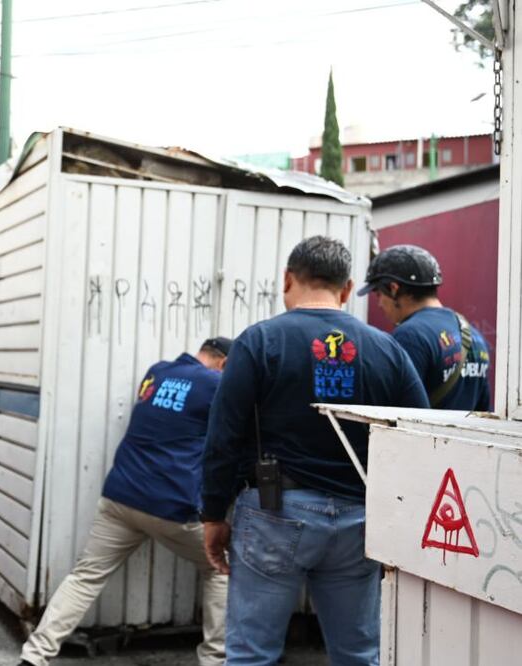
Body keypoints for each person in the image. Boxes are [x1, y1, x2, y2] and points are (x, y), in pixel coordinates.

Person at [200, 236, 430, 665]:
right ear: (346, 290)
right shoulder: (387, 349)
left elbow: (223, 435)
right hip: (360, 520)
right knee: (359, 653)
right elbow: (421, 433)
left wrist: (213, 513)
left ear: (287, 279)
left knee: (251, 654)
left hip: (274, 513)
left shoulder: (258, 342)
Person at [18, 338, 234, 666]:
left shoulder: (157, 372)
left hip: (121, 495)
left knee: (85, 576)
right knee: (221, 568)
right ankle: (215, 660)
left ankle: (33, 657)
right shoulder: (215, 383)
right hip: (171, 506)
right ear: (223, 364)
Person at [359, 244, 492, 411]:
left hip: (426, 437)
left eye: (378, 294)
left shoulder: (409, 336)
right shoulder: (474, 335)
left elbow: (394, 408)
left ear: (394, 289)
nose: (379, 303)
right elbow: (484, 410)